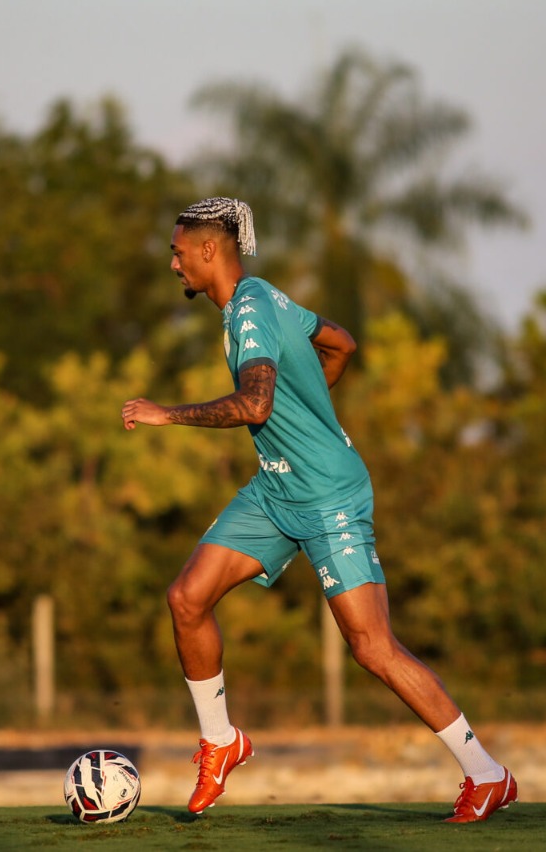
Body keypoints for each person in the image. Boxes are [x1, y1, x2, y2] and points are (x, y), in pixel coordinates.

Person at [120, 197, 517, 822]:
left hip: (329, 495)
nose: (172, 263)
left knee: (373, 649)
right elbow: (343, 344)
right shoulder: (268, 297)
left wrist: (166, 414)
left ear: (207, 250)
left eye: (176, 251)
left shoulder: (250, 310)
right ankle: (221, 742)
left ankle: (486, 774)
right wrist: (309, 406)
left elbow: (254, 406)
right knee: (186, 599)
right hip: (276, 490)